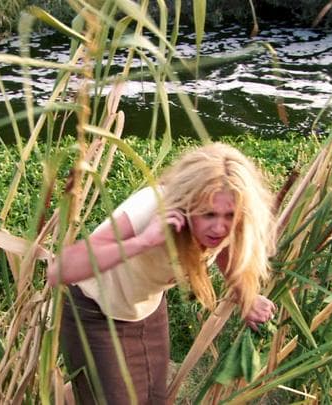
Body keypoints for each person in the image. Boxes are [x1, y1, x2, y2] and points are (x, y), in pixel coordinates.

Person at [47, 142, 277, 404]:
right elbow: (61, 269)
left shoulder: (227, 223)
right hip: (95, 309)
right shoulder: (151, 207)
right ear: (187, 204)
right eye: (209, 214)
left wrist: (246, 298)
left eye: (229, 216)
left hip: (146, 309)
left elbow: (226, 249)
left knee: (153, 399)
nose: (219, 227)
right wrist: (143, 241)